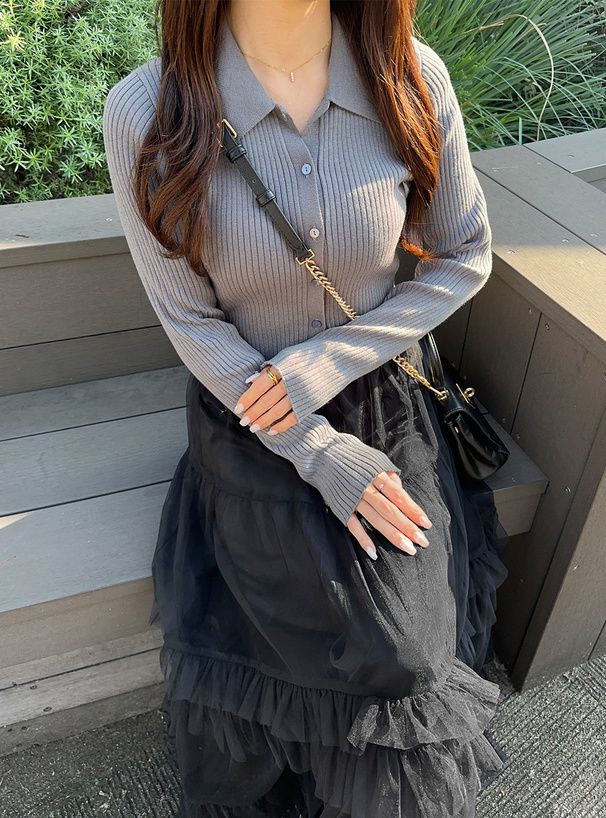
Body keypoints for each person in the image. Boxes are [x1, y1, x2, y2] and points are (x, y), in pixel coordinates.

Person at [102, 0, 510, 815]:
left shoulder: (410, 77)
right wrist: (318, 450)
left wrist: (322, 367)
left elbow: (465, 254)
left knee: (403, 655)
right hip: (245, 409)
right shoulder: (148, 109)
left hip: (384, 399)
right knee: (284, 620)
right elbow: (190, 321)